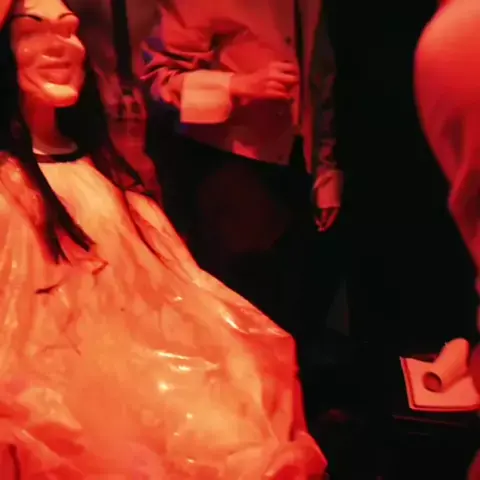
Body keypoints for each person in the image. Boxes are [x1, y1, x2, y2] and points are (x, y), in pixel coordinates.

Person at [0, 0, 326, 476]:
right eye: (33, 31)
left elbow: (166, 289)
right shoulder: (11, 190)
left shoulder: (101, 176)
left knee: (241, 374)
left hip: (141, 341)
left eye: (70, 31)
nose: (59, 46)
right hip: (63, 362)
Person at [142, 0, 342, 367]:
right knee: (236, 329)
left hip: (295, 169)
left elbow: (321, 81)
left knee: (294, 323)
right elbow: (157, 79)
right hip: (230, 166)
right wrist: (237, 86)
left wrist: (326, 167)